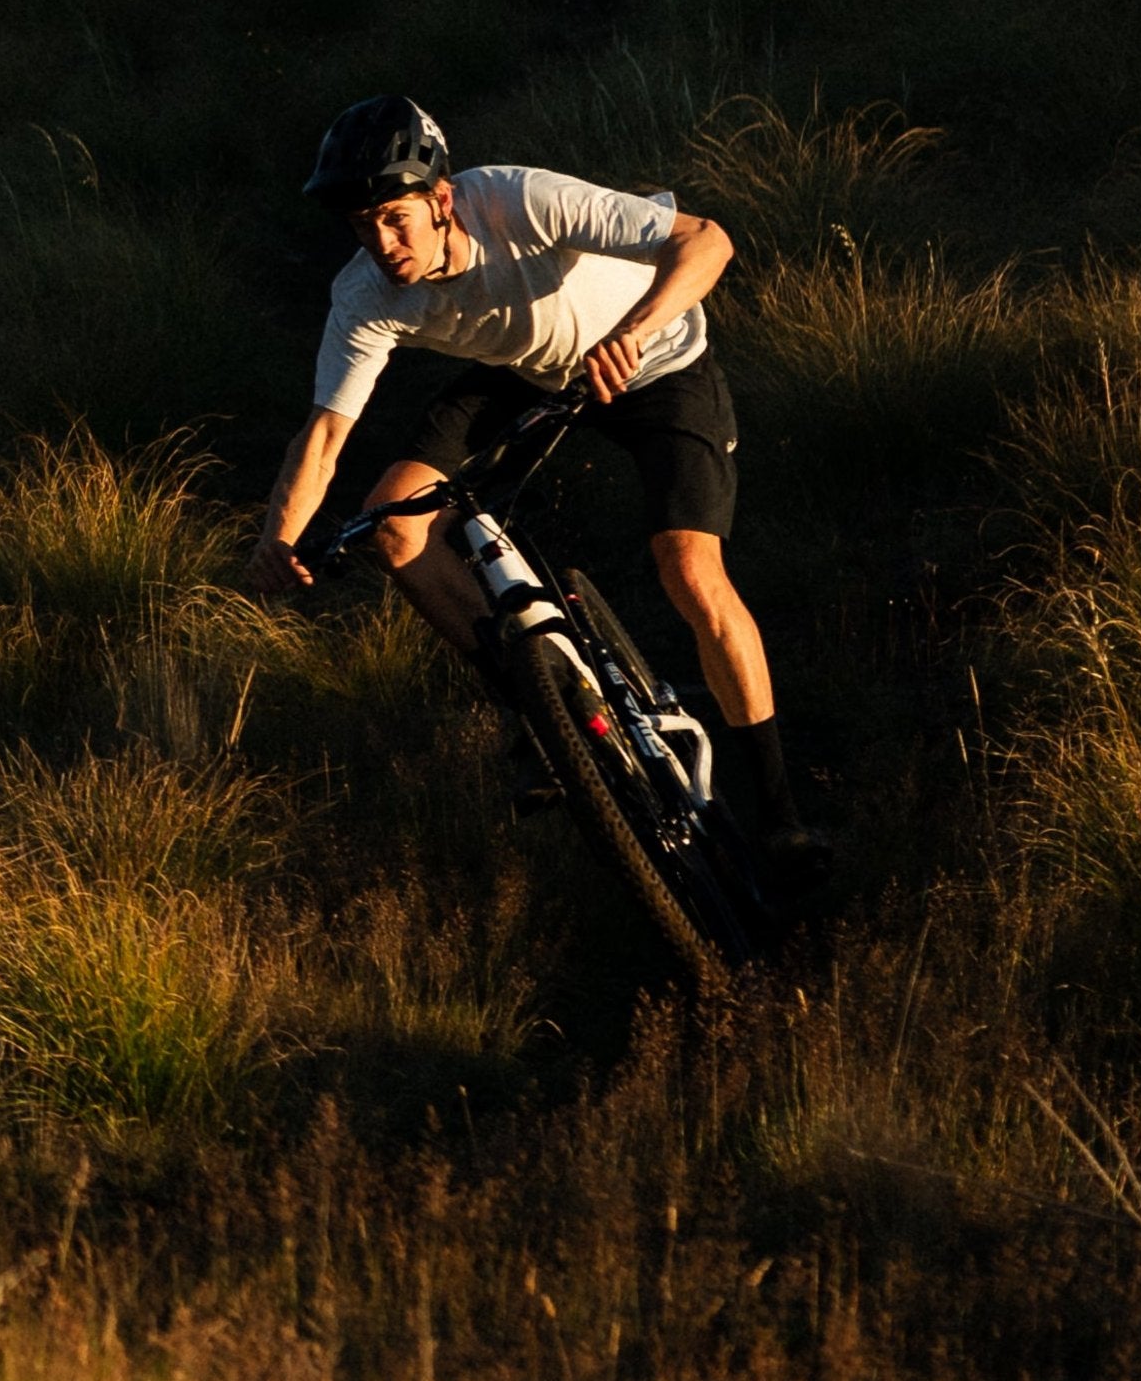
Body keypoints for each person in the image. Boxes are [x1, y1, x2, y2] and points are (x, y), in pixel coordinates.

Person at [247, 93, 819, 854]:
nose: (382, 242)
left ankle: (780, 814)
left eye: (395, 218)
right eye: (363, 226)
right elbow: (324, 433)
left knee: (687, 566)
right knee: (393, 523)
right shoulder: (365, 294)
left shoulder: (518, 200)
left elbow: (706, 240)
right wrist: (276, 541)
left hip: (657, 361)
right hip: (529, 370)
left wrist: (634, 333)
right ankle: (539, 706)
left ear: (442, 200)